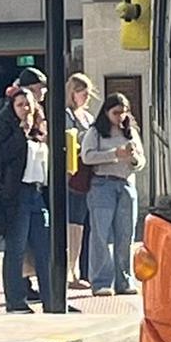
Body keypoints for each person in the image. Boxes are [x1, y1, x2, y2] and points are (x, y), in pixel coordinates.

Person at [0, 87, 53, 313]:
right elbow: (0, 154)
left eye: (28, 104)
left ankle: (52, 299)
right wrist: (21, 133)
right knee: (16, 248)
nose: (25, 109)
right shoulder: (7, 127)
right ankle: (15, 301)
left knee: (44, 249)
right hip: (17, 194)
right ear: (12, 108)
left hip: (37, 193)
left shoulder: (41, 128)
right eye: (20, 105)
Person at [81, 93, 144, 296]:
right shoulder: (96, 132)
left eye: (124, 112)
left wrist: (133, 158)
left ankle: (124, 280)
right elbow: (87, 156)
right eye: (116, 113)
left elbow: (141, 161)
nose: (120, 117)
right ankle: (101, 281)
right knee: (100, 234)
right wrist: (114, 155)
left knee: (125, 234)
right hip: (102, 184)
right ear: (106, 113)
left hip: (126, 184)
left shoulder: (131, 132)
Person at [64, 74, 96, 290]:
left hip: (90, 175)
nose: (85, 96)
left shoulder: (88, 116)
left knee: (88, 226)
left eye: (87, 92)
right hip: (74, 176)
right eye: (80, 92)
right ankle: (71, 273)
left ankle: (87, 271)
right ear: (72, 93)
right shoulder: (68, 115)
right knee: (74, 226)